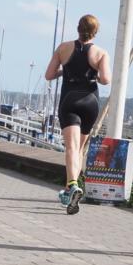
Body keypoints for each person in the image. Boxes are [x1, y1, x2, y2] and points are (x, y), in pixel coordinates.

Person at [44, 14, 111, 215]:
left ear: (78, 28)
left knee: (71, 148)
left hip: (70, 100)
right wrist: (94, 75)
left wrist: (63, 71)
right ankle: (69, 190)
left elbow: (49, 75)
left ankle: (73, 184)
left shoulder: (63, 48)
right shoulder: (101, 53)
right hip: (90, 102)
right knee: (79, 149)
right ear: (95, 32)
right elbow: (106, 79)